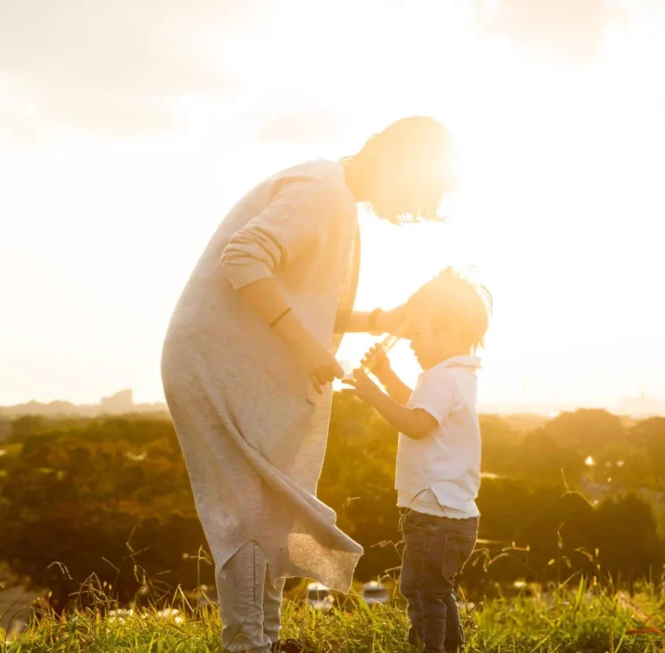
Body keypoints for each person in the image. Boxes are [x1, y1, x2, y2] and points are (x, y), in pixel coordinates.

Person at [161, 117, 456, 653]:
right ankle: (248, 644)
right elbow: (245, 257)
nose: (409, 210)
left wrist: (383, 318)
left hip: (234, 360)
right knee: (248, 508)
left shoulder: (335, 198)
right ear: (396, 161)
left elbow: (310, 304)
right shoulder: (323, 192)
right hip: (221, 362)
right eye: (414, 193)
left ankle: (262, 641)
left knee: (267, 506)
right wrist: (304, 347)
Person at [343, 268, 491, 653]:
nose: (410, 343)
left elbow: (416, 424)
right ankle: (449, 646)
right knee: (438, 592)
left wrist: (372, 393)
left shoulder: (442, 378)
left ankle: (431, 648)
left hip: (434, 516)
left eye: (419, 333)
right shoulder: (457, 374)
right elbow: (421, 406)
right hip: (455, 517)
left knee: (422, 592)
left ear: (451, 330)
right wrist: (388, 374)